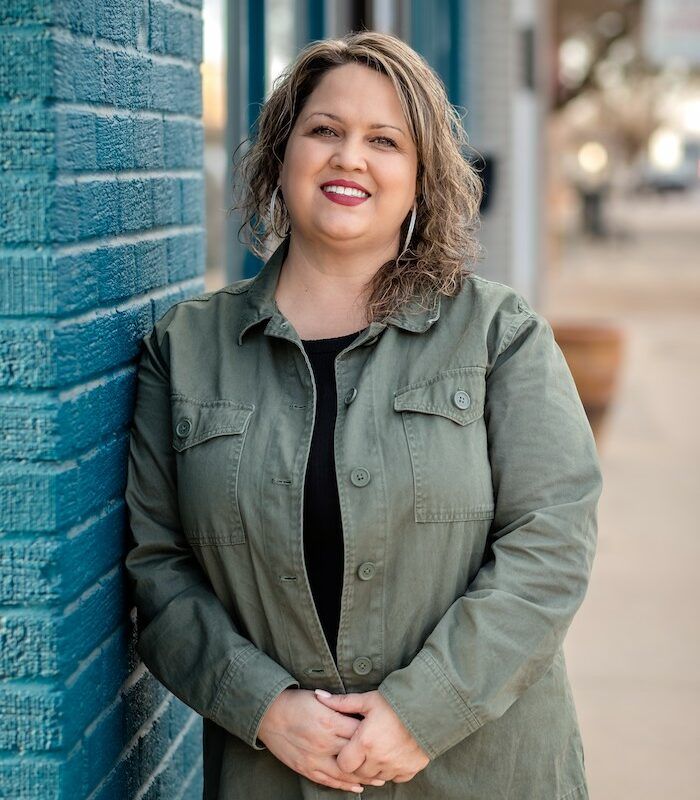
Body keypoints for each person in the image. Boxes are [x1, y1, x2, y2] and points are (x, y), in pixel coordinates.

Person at [124, 31, 603, 800]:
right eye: (325, 131)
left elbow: (550, 544)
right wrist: (266, 707)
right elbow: (158, 570)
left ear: (420, 180)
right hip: (273, 773)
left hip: (485, 769)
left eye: (385, 140)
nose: (351, 157)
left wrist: (422, 711)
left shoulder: (499, 335)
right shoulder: (184, 351)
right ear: (283, 155)